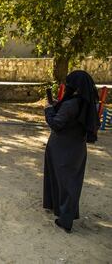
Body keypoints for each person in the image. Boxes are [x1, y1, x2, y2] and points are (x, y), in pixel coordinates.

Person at [43, 70, 100, 233]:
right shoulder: (87, 104)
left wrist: (48, 109)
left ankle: (65, 220)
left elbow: (55, 124)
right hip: (77, 149)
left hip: (61, 148)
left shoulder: (71, 104)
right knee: (71, 182)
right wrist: (56, 105)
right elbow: (71, 118)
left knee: (62, 181)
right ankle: (62, 212)